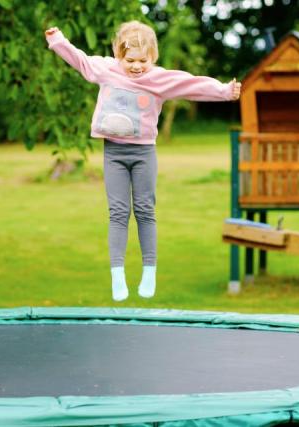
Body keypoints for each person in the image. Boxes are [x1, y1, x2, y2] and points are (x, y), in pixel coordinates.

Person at [45, 21, 241, 301]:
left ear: (153, 57)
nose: (136, 66)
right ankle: (118, 275)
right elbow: (80, 60)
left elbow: (191, 84)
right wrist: (58, 41)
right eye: (130, 60)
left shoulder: (158, 78)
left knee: (145, 210)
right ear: (118, 55)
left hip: (143, 154)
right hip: (113, 153)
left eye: (143, 61)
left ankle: (149, 271)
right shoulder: (107, 70)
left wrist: (223, 91)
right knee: (118, 213)